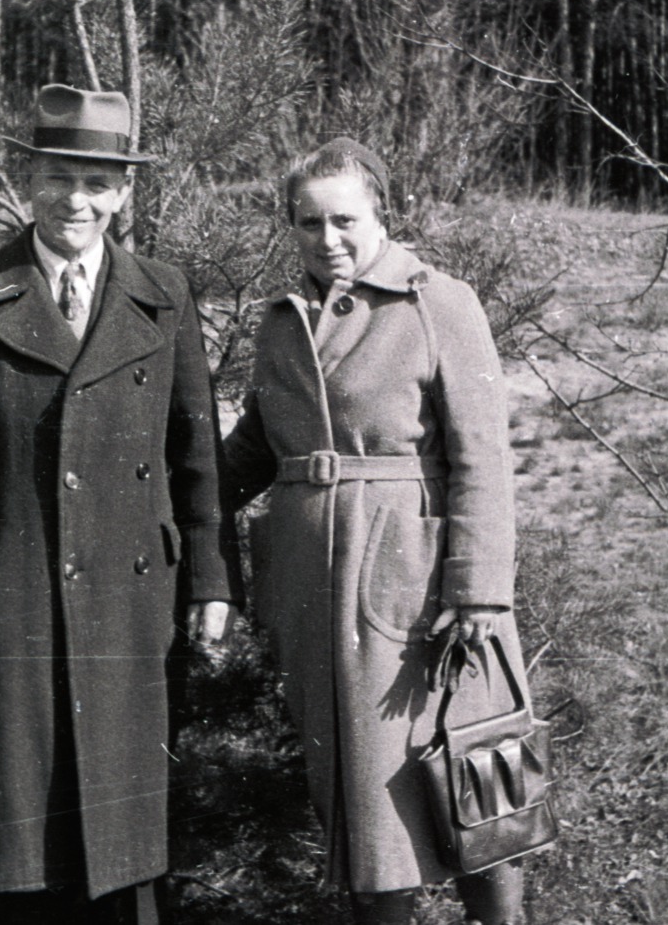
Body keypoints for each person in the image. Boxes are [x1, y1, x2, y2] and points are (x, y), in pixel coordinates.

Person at [0, 85, 237, 925]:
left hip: (132, 595)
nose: (72, 201)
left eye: (93, 182)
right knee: (12, 830)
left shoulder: (165, 293)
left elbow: (197, 456)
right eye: (54, 178)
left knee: (122, 837)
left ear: (122, 192)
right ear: (28, 181)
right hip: (11, 589)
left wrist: (212, 583)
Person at [220, 138, 531, 925]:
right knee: (364, 814)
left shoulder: (439, 303)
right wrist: (168, 498)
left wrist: (480, 593)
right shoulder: (282, 324)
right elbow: (255, 448)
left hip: (419, 591)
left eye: (344, 220)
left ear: (381, 215)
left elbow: (483, 456)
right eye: (307, 222)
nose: (327, 240)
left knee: (476, 793)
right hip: (315, 595)